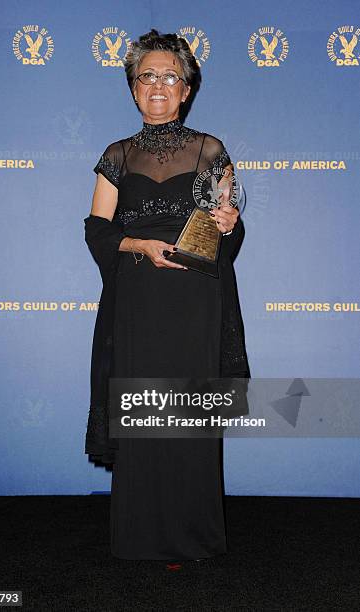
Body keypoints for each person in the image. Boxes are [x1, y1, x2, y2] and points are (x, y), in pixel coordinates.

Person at [84, 29, 250, 563]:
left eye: (169, 76)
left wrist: (230, 221)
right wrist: (137, 243)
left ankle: (193, 537)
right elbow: (96, 229)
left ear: (186, 89)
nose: (158, 85)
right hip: (138, 299)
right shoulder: (116, 156)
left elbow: (229, 226)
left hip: (196, 299)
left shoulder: (212, 150)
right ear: (133, 88)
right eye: (147, 76)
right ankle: (140, 537)